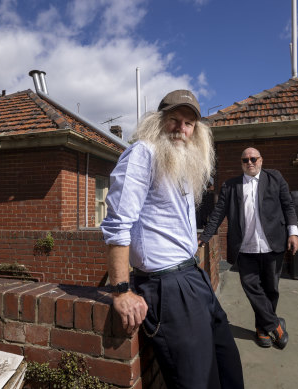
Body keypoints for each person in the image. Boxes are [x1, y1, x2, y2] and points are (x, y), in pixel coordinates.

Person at [101, 90, 244, 389]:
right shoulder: (143, 152)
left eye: (189, 123)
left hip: (193, 277)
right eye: (174, 120)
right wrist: (121, 291)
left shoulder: (182, 161)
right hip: (167, 286)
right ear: (159, 121)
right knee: (196, 381)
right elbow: (117, 224)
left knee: (227, 366)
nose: (182, 128)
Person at [198, 147, 298, 349]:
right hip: (245, 248)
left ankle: (262, 329)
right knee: (251, 287)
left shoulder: (275, 178)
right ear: (241, 163)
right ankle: (275, 326)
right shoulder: (231, 185)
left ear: (261, 160)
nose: (250, 162)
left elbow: (288, 205)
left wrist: (293, 232)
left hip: (273, 244)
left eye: (254, 159)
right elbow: (218, 213)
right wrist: (204, 237)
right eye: (245, 160)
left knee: (271, 289)